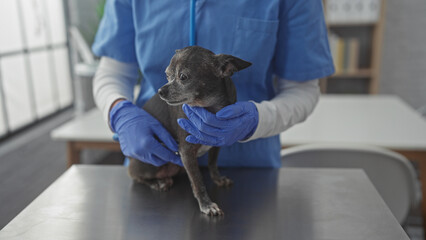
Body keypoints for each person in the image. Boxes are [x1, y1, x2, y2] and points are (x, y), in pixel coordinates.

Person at [91, 0, 334, 168]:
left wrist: (258, 120)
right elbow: (113, 73)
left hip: (248, 174)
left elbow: (302, 89)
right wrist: (120, 112)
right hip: (156, 165)